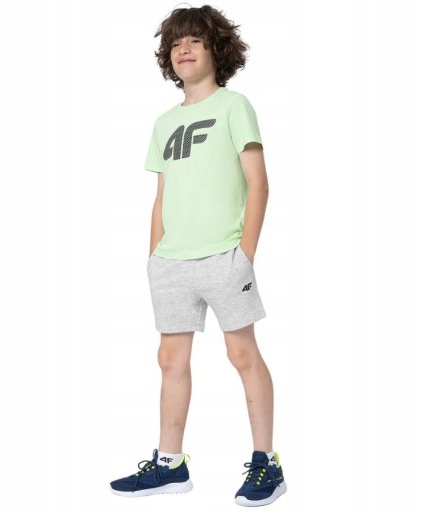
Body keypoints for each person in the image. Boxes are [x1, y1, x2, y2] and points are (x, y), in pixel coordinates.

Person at [110, 4, 287, 507]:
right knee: (170, 358)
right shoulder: (164, 122)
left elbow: (258, 183)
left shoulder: (234, 106)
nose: (183, 49)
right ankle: (170, 464)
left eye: (194, 40)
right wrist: (153, 257)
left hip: (224, 256)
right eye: (175, 43)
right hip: (171, 261)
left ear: (216, 49)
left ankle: (267, 463)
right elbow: (161, 196)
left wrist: (244, 254)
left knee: (242, 353)